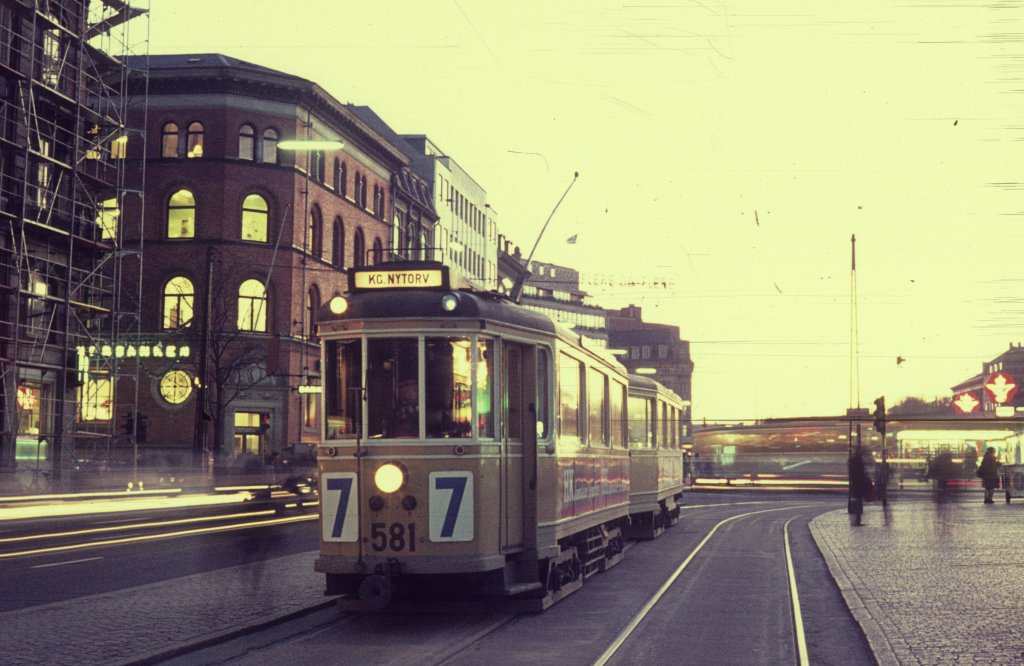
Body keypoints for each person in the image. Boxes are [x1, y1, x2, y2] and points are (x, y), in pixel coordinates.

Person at [848, 447, 872, 525]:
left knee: (857, 500)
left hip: (855, 483)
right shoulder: (858, 461)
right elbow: (861, 473)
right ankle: (857, 520)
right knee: (858, 501)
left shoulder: (852, 460)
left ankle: (857, 519)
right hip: (859, 484)